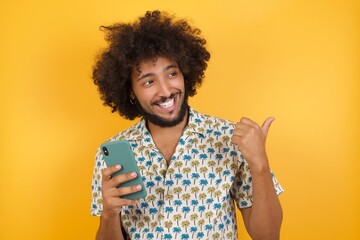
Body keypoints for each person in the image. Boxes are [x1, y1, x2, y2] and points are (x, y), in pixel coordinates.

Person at [90, 10, 283, 240]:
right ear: (130, 91)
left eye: (171, 73)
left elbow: (268, 236)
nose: (165, 90)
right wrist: (109, 215)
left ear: (185, 74)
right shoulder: (111, 155)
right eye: (149, 81)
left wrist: (260, 164)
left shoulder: (230, 139)